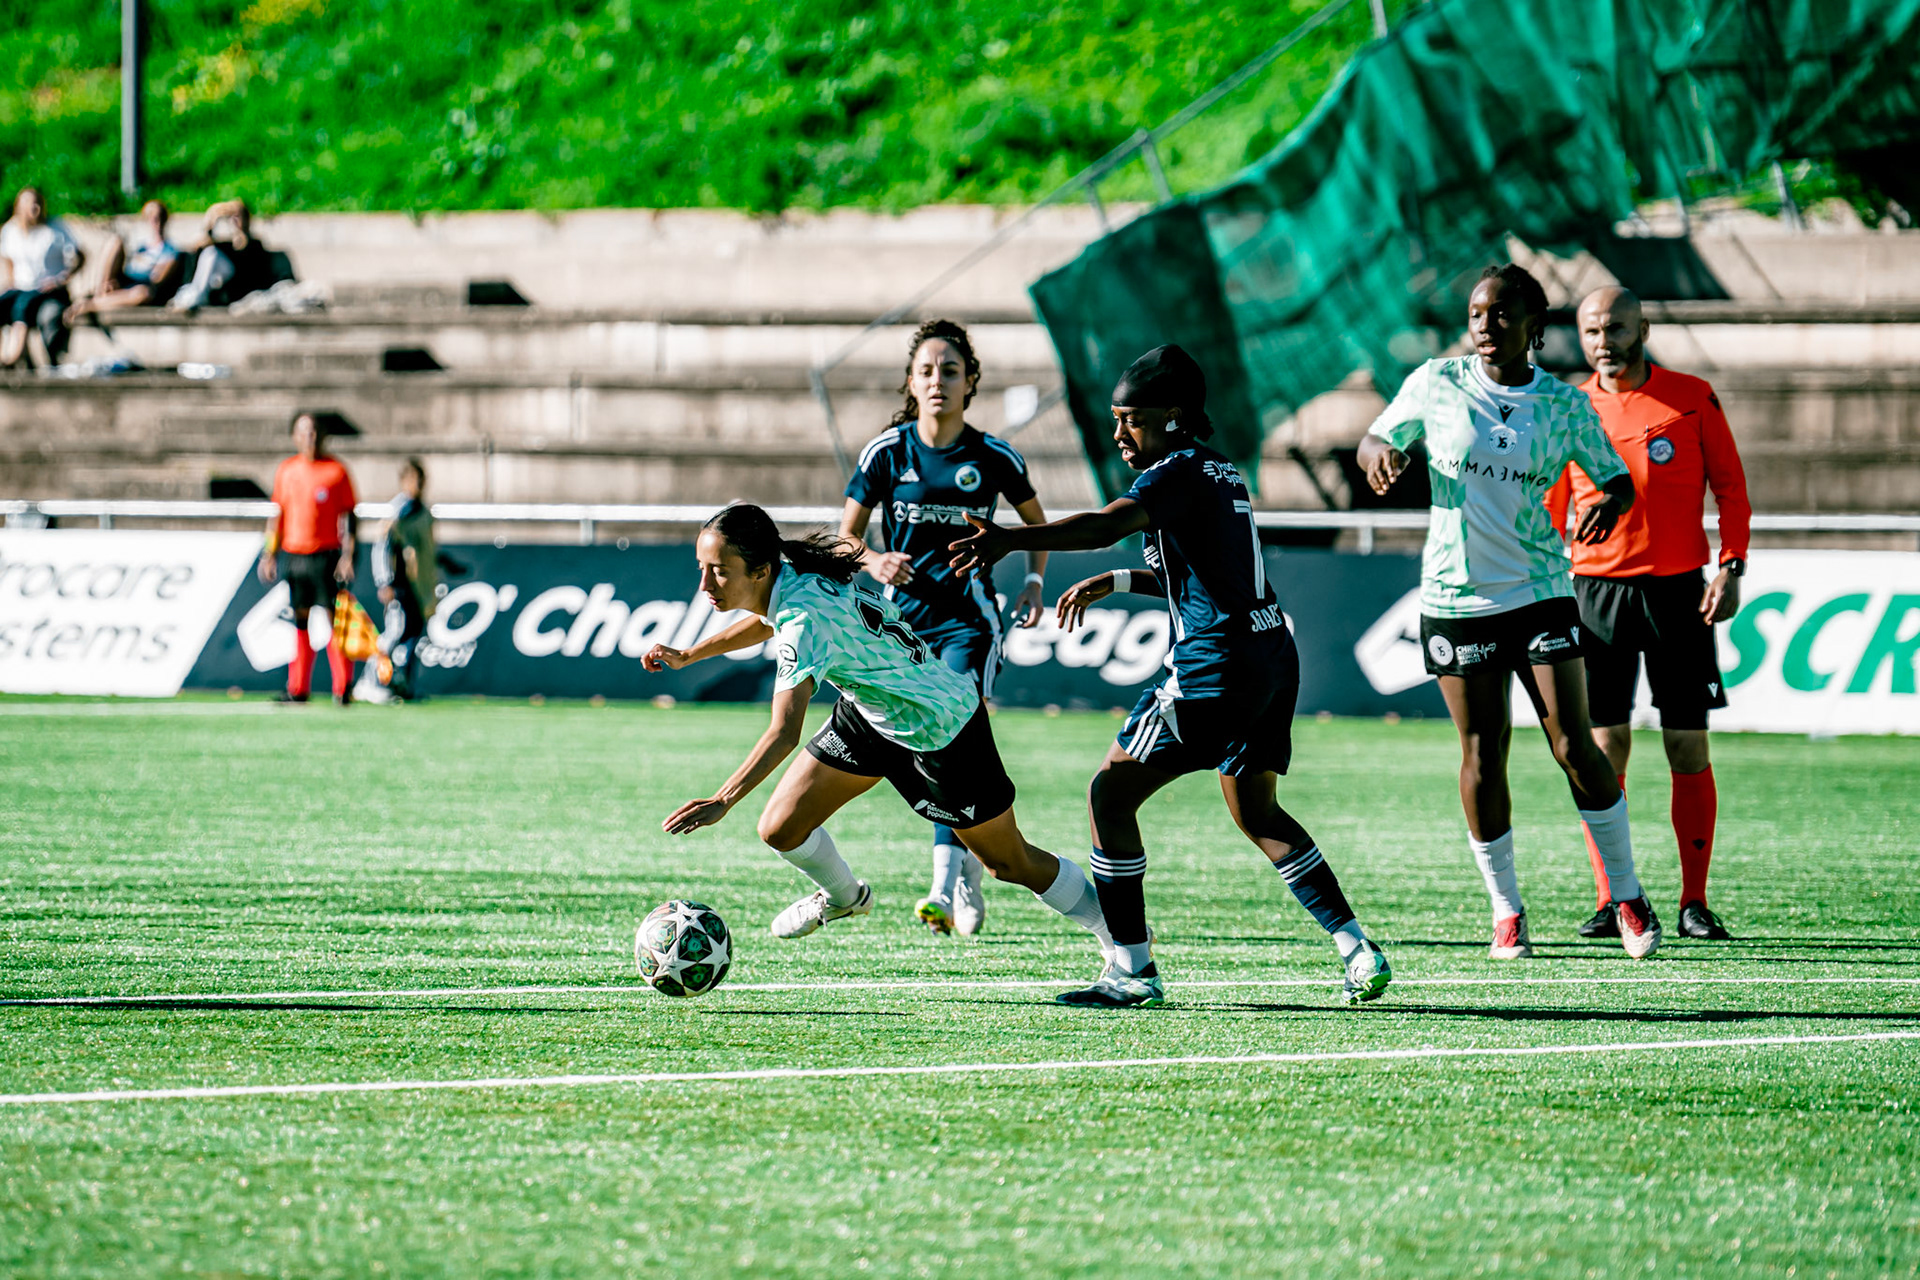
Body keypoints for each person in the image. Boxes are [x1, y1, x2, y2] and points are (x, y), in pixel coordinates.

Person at [949, 344, 1393, 1009]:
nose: (1120, 433)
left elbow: (1107, 525)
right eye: (1116, 418)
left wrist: (1012, 539)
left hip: (1217, 664)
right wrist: (1121, 580)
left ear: (1175, 417)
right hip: (1272, 655)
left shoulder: (1174, 470)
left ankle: (1131, 969)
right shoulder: (1219, 471)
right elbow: (1202, 574)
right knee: (1258, 811)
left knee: (1109, 794)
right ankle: (1357, 948)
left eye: (1133, 419)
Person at [640, 503, 1116, 977]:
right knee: (781, 828)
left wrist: (723, 800)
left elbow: (784, 732)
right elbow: (768, 617)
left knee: (1010, 863)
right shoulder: (795, 579)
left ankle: (1119, 933)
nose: (705, 585)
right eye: (703, 568)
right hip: (872, 714)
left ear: (761, 569)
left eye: (719, 572)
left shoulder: (804, 621)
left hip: (940, 730)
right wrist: (688, 654)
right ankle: (845, 898)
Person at [1357, 264, 1661, 960]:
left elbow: (1615, 479)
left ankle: (1628, 896)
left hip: (1539, 590)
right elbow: (1376, 438)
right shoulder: (1436, 382)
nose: (1485, 326)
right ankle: (1507, 911)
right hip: (1454, 599)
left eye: (1500, 314)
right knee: (1481, 752)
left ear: (1534, 327)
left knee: (1572, 745)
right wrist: (1379, 458)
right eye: (1476, 314)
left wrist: (1609, 505)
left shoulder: (1561, 404)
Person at [1545, 286, 1751, 941]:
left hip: (1679, 593)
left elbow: (1732, 488)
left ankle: (1695, 902)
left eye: (1616, 328)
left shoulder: (1692, 396)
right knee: (1604, 748)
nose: (1604, 341)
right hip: (1595, 594)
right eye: (1592, 331)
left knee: (1687, 746)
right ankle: (1616, 899)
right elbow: (1548, 510)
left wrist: (1732, 564)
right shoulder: (1566, 406)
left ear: (1643, 328)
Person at [840, 318, 1051, 939]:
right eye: (927, 371)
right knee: (929, 743)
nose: (938, 381)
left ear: (971, 383)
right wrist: (875, 560)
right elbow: (844, 536)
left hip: (969, 622)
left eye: (950, 370)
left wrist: (1034, 582)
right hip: (898, 629)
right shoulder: (886, 453)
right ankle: (968, 867)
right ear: (911, 382)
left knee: (947, 732)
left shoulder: (993, 457)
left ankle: (943, 881)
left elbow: (1035, 528)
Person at [260, 412, 359, 704]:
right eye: (304, 432)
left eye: (314, 431)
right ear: (295, 436)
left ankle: (343, 687)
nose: (310, 437)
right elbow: (276, 516)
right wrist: (270, 553)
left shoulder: (336, 471)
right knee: (300, 619)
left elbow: (350, 516)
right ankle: (298, 687)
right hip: (295, 554)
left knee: (334, 619)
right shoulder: (287, 471)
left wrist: (348, 555)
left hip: (326, 554)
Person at [369, 458, 438, 703]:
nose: (417, 486)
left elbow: (425, 550)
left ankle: (405, 685)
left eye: (420, 481)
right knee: (394, 632)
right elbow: (382, 547)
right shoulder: (399, 511)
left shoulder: (423, 511)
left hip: (418, 585)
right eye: (412, 481)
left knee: (412, 635)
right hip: (399, 584)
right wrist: (384, 581)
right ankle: (373, 682)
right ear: (403, 482)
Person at [0, 186, 84, 369]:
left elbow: (80, 257)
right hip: (21, 287)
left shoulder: (56, 228)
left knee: (22, 306)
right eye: (30, 204)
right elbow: (7, 258)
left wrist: (61, 279)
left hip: (49, 289)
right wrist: (10, 281)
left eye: (37, 203)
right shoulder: (10, 230)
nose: (35, 208)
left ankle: (13, 356)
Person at [66, 200, 182, 321]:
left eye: (158, 217)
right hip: (126, 282)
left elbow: (158, 278)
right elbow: (128, 268)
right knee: (116, 242)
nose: (154, 221)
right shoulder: (141, 248)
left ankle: (91, 304)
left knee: (142, 293)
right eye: (150, 217)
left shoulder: (170, 250)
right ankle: (103, 290)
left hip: (143, 288)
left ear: (165, 219)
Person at [171, 199, 278, 312]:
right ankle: (192, 294)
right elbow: (197, 249)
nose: (234, 221)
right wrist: (211, 217)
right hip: (219, 283)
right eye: (230, 217)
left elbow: (250, 266)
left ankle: (196, 295)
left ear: (246, 219)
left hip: (241, 287)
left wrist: (242, 238)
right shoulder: (226, 244)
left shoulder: (255, 244)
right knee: (209, 253)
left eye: (237, 216)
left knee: (211, 254)